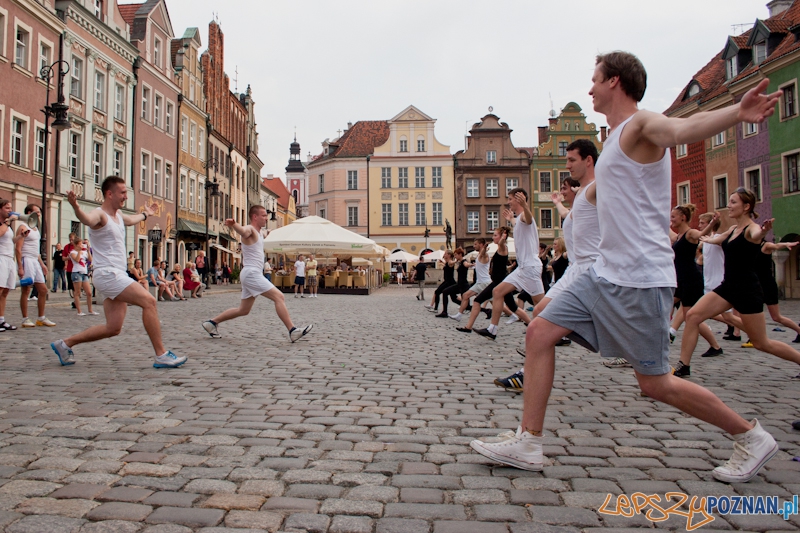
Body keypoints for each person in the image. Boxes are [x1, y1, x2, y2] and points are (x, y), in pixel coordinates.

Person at [470, 52, 781, 483]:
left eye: (595, 79)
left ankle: (750, 436)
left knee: (655, 384)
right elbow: (602, 196)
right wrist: (569, 202)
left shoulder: (640, 124)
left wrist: (736, 113)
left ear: (615, 81)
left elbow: (682, 129)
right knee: (539, 331)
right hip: (604, 273)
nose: (590, 88)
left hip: (640, 279)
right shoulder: (614, 141)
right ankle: (529, 441)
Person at [50, 177, 186, 368]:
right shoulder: (100, 215)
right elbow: (87, 219)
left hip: (116, 274)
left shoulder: (119, 215)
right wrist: (76, 207)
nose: (125, 196)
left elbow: (132, 219)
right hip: (108, 274)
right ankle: (161, 354)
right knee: (149, 301)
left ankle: (65, 344)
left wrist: (146, 214)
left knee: (113, 328)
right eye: (122, 192)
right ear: (109, 193)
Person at [678, 189, 800, 378]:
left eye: (733, 202)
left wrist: (764, 231)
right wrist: (705, 237)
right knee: (693, 316)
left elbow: (757, 234)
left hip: (747, 290)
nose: (729, 205)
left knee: (761, 343)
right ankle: (683, 366)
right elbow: (716, 239)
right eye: (729, 201)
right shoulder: (733, 230)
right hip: (728, 287)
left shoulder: (751, 229)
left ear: (746, 206)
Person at [202, 206, 312, 343]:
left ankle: (212, 323)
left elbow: (270, 232)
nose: (266, 218)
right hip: (252, 273)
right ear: (255, 217)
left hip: (250, 273)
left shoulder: (260, 233)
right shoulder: (250, 230)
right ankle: (292, 330)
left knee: (243, 310)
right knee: (279, 297)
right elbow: (243, 231)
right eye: (264, 215)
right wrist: (234, 224)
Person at [474, 189, 544, 340]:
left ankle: (559, 333)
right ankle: (492, 330)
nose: (508, 202)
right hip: (522, 269)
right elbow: (517, 223)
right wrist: (511, 218)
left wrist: (525, 206)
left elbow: (528, 219)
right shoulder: (518, 220)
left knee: (540, 304)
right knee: (497, 292)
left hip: (531, 267)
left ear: (519, 199)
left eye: (510, 199)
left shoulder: (525, 216)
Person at [666, 204, 723, 374]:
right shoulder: (678, 236)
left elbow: (701, 234)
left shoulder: (690, 234)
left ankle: (712, 346)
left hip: (691, 280)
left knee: (691, 317)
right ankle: (714, 345)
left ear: (683, 218)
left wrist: (712, 223)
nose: (671, 220)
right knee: (687, 315)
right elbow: (666, 230)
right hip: (680, 280)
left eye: (673, 217)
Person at [454, 227, 510, 333]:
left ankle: (514, 316)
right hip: (486, 282)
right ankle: (466, 323)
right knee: (471, 298)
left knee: (505, 304)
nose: (493, 237)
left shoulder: (499, 248)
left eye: (495, 235)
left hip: (488, 283)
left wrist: (503, 238)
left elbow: (486, 253)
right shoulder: (494, 250)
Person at [15, 204, 55, 327]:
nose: (39, 214)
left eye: (39, 212)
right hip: (26, 260)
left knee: (43, 290)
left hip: (35, 260)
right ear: (29, 213)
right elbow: (18, 248)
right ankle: (25, 318)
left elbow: (36, 250)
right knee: (26, 290)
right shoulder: (23, 227)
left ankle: (41, 317)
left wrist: (42, 264)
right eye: (37, 212)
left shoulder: (36, 229)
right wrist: (20, 267)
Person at [448, 238, 490, 320]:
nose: (474, 246)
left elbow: (483, 254)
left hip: (485, 283)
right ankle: (459, 315)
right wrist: (473, 265)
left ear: (481, 245)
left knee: (495, 302)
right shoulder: (479, 255)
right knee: (465, 295)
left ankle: (513, 314)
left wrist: (484, 248)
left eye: (475, 244)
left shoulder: (484, 255)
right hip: (479, 283)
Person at [0, 199, 19, 333]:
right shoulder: (4, 224)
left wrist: (20, 237)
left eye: (10, 208)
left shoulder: (8, 226)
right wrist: (7, 222)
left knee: (6, 290)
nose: (10, 210)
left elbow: (10, 241)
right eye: (7, 208)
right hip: (1, 257)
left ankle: (1, 319)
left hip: (9, 258)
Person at [435, 248, 469, 318]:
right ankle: (444, 312)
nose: (455, 256)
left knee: (442, 292)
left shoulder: (462, 261)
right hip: (458, 284)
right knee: (453, 298)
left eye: (456, 255)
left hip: (459, 284)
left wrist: (470, 264)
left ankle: (443, 311)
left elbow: (465, 264)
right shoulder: (459, 262)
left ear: (460, 254)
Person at [69, 236, 97, 316]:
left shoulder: (84, 252)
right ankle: (79, 311)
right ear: (76, 245)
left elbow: (90, 260)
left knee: (89, 292)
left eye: (82, 244)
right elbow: (77, 260)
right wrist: (79, 252)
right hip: (76, 272)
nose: (81, 245)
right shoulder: (72, 252)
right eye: (80, 244)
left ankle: (90, 310)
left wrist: (88, 251)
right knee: (77, 292)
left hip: (84, 273)